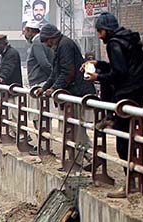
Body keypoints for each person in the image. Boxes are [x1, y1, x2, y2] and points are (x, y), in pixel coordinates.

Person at [84, 12, 143, 199]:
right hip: (139, 87)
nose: (99, 36)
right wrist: (99, 64)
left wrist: (97, 77)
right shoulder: (128, 39)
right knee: (132, 135)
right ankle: (134, 183)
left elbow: (119, 73)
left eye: (100, 32)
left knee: (123, 141)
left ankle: (131, 185)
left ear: (106, 30)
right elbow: (122, 67)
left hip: (127, 91)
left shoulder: (114, 44)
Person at [40, 24, 96, 168]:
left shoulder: (65, 46)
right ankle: (86, 158)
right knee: (72, 128)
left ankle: (88, 157)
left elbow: (68, 72)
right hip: (71, 92)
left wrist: (54, 88)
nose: (46, 45)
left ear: (51, 38)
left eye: (46, 41)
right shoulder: (60, 46)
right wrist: (45, 87)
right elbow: (55, 73)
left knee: (76, 128)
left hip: (76, 92)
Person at [23, 20, 53, 154]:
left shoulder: (36, 42)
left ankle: (43, 146)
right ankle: (43, 145)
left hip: (39, 84)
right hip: (42, 82)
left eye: (25, 31)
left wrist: (50, 80)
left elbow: (44, 63)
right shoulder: (41, 42)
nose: (24, 33)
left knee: (38, 117)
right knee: (42, 116)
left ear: (30, 30)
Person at [0, 34, 23, 140]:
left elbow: (8, 68)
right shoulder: (3, 54)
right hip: (7, 91)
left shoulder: (11, 54)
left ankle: (21, 136)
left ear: (1, 44)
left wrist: (1, 78)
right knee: (8, 115)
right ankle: (14, 136)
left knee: (14, 115)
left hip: (12, 90)